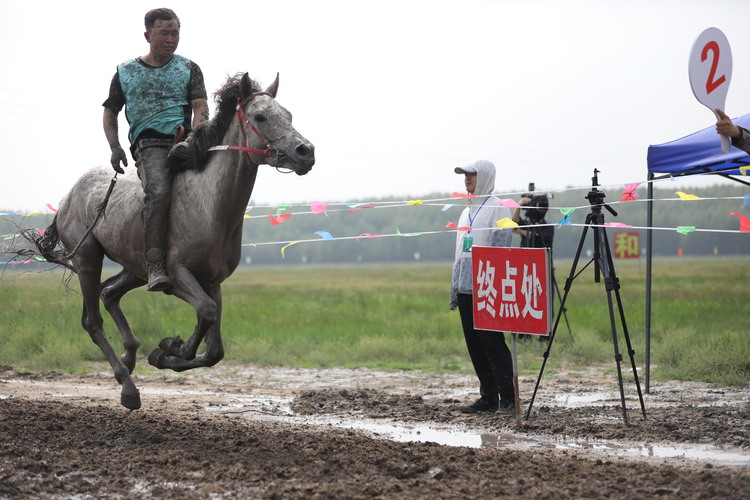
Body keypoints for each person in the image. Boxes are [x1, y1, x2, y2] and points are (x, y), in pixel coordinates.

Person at [102, 8, 209, 291]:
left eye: (175, 33)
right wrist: (115, 147)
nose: (171, 38)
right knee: (159, 193)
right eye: (164, 32)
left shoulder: (189, 68)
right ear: (148, 35)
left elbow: (200, 108)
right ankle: (154, 265)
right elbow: (110, 112)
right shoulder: (125, 72)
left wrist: (196, 136)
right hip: (149, 145)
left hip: (184, 142)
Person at [449, 160, 516, 414]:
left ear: (485, 177)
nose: (467, 179)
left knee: (493, 343)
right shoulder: (465, 212)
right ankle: (488, 397)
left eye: (472, 175)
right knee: (474, 345)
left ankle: (509, 398)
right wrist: (454, 286)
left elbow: (502, 248)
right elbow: (459, 252)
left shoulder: (499, 209)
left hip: (488, 287)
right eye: (465, 175)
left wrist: (496, 287)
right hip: (465, 286)